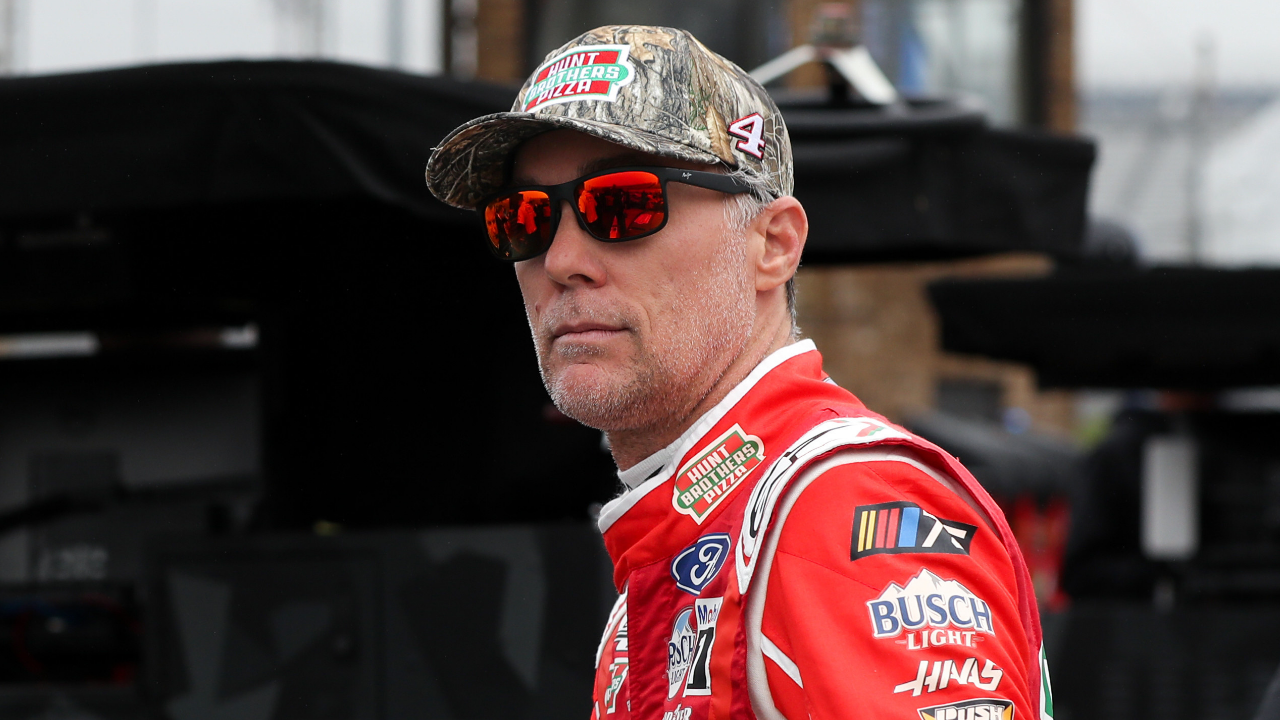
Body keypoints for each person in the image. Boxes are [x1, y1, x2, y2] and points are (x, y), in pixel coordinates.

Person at [426, 25, 1053, 720]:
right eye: (523, 218)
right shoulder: (691, 533)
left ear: (773, 245)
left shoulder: (840, 507)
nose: (561, 260)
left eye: (625, 203)